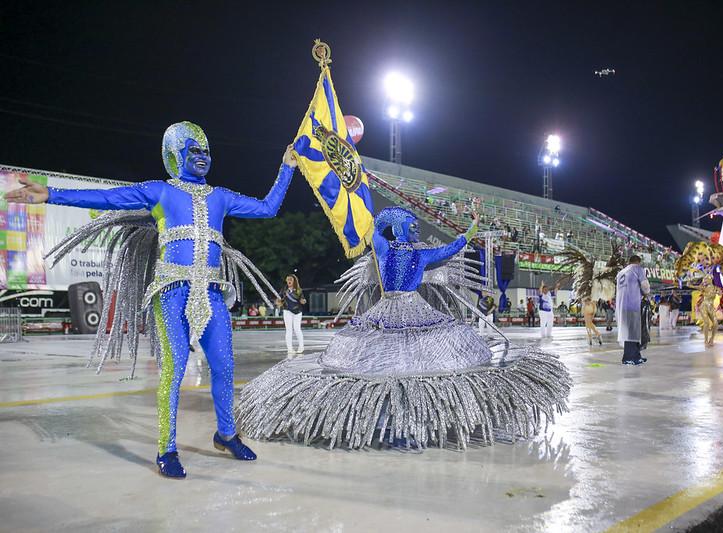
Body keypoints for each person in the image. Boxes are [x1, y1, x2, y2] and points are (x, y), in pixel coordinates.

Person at [7, 121, 298, 478]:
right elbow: (108, 198)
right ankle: (167, 448)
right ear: (175, 156)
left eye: (205, 151)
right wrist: (51, 194)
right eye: (193, 151)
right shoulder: (160, 191)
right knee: (173, 371)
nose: (202, 157)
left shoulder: (221, 196)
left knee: (224, 367)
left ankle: (226, 434)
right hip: (171, 293)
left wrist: (288, 167)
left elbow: (268, 208)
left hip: (212, 292)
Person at [237, 207, 570, 449]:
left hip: (416, 308)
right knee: (385, 360)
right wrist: (371, 209)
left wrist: (471, 229)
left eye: (414, 226)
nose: (414, 230)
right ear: (396, 230)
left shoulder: (422, 254)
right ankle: (390, 415)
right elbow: (373, 231)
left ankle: (414, 416)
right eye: (409, 225)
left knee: (416, 359)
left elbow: (452, 248)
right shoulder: (383, 248)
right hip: (388, 308)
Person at [616, 255, 651, 365]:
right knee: (631, 332)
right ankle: (628, 357)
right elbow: (645, 285)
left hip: (621, 305)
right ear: (638, 262)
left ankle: (636, 355)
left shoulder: (621, 273)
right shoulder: (637, 269)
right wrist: (646, 293)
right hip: (632, 304)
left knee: (632, 331)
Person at [276, 274, 306, 354]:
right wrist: (279, 303)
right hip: (287, 311)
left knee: (297, 329)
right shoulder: (283, 290)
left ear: (294, 281)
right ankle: (290, 348)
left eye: (290, 279)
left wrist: (303, 301)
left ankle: (301, 347)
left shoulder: (299, 290)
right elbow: (278, 299)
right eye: (288, 279)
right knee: (288, 330)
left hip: (297, 311)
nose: (289, 281)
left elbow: (302, 299)